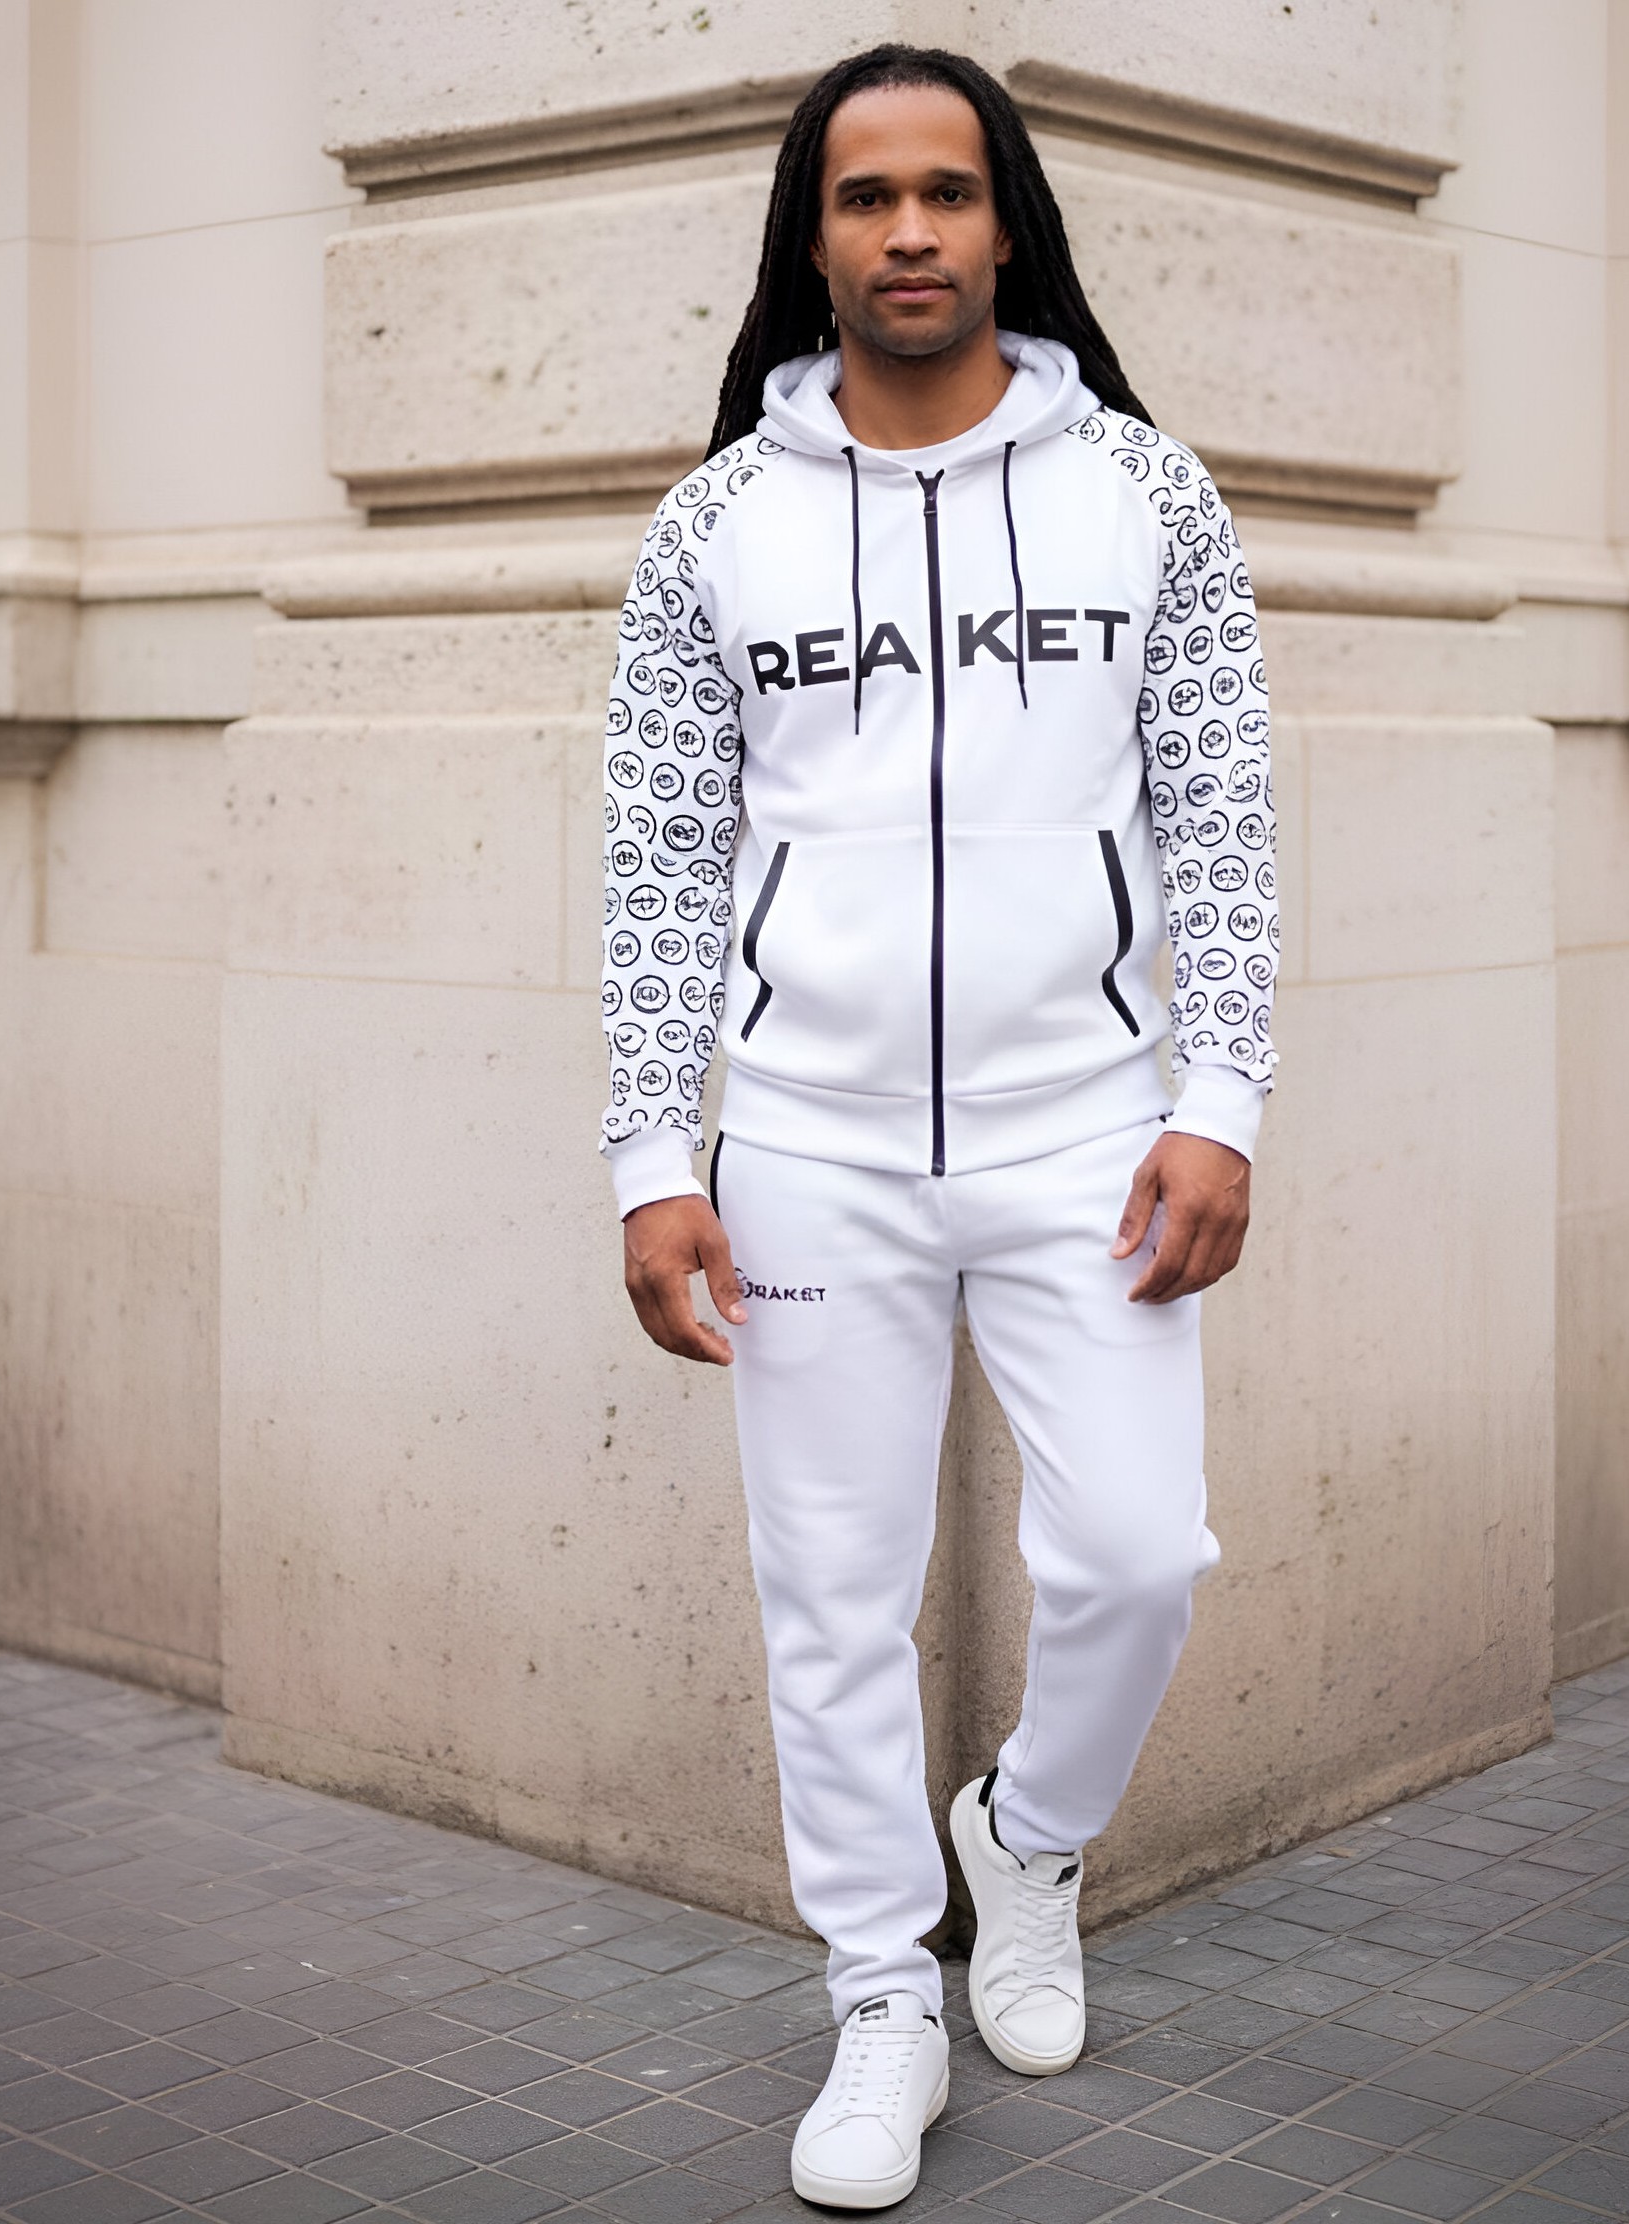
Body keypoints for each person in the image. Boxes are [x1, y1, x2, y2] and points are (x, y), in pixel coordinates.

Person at [599, 44, 1276, 2209]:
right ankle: (884, 1993)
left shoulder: (1143, 492)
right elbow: (657, 859)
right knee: (832, 1598)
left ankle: (1029, 1838)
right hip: (805, 1143)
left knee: (1138, 1553)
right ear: (811, 236)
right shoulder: (717, 522)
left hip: (1089, 1129)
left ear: (1006, 223)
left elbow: (1225, 816)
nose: (909, 231)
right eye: (865, 195)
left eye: (948, 193)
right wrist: (654, 1154)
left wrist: (1221, 1096)